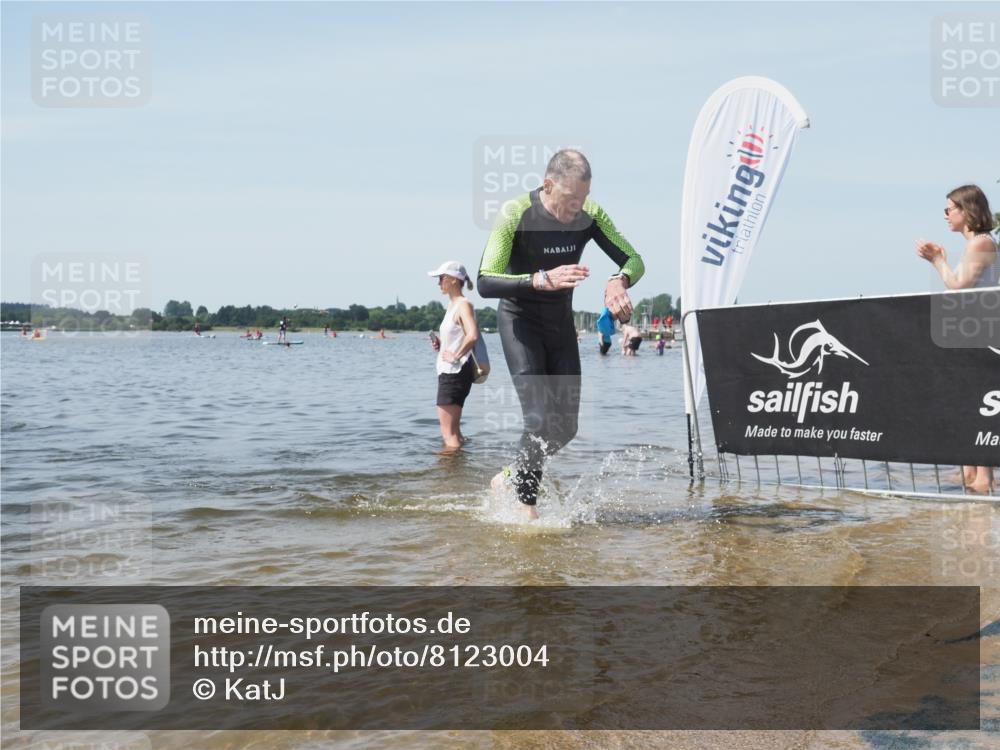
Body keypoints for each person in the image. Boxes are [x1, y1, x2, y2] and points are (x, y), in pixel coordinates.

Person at [478, 149, 644, 518]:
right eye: (570, 199)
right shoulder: (516, 213)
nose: (576, 208)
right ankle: (527, 513)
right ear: (548, 185)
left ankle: (508, 477)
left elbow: (634, 259)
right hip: (520, 323)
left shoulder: (590, 214)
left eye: (583, 199)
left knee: (565, 428)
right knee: (539, 419)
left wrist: (619, 280)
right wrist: (539, 280)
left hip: (560, 326)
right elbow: (486, 281)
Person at [915, 184, 998, 494]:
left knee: (976, 402)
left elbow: (958, 285)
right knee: (967, 401)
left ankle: (983, 477)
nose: (946, 215)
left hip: (980, 331)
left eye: (949, 209)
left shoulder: (981, 243)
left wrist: (938, 260)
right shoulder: (977, 244)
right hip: (972, 330)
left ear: (967, 210)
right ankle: (970, 472)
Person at [427, 261, 480, 451]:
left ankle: (449, 468)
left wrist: (456, 356)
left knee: (448, 434)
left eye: (441, 278)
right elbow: (460, 336)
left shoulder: (463, 305)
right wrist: (442, 345)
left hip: (454, 373)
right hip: (453, 372)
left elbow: (472, 335)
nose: (438, 283)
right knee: (454, 432)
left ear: (454, 280)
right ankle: (460, 467)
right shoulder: (453, 305)